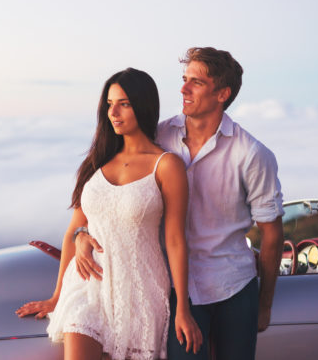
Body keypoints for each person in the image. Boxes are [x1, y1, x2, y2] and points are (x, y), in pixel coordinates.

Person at [73, 48, 285, 360]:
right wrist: (81, 233)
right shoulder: (158, 136)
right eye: (184, 80)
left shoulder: (251, 154)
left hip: (233, 286)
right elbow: (110, 192)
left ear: (222, 94)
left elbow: (272, 234)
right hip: (172, 287)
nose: (183, 89)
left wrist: (264, 304)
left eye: (195, 83)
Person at [16, 68, 202, 360]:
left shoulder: (166, 166)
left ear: (143, 105)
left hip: (139, 289)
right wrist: (57, 296)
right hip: (88, 286)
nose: (113, 112)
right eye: (109, 104)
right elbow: (73, 231)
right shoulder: (96, 163)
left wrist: (183, 309)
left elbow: (176, 239)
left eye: (124, 103)